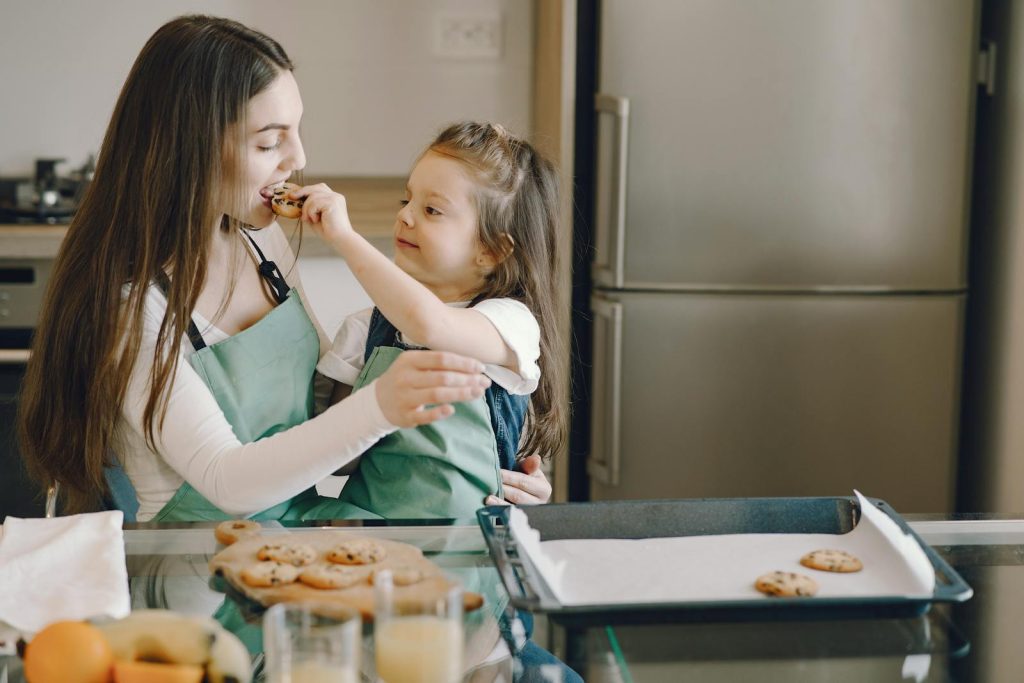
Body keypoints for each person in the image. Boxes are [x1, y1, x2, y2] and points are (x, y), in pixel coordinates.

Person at [16, 15, 551, 523]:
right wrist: (381, 406)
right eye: (269, 141)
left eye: (295, 131)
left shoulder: (262, 242)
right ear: (191, 148)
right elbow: (226, 482)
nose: (297, 156)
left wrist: (482, 463)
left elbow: (320, 433)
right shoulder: (131, 306)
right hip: (200, 572)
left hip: (300, 548)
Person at [287, 121, 567, 520]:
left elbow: (431, 327)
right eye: (407, 200)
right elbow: (338, 463)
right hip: (377, 542)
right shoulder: (364, 330)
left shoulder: (509, 323)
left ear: (491, 250)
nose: (406, 217)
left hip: (472, 546)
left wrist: (344, 237)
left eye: (432, 210)